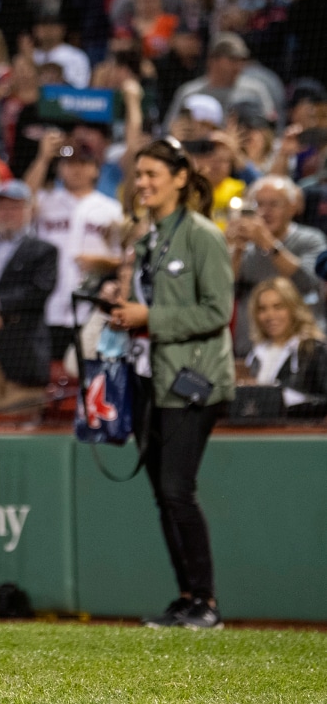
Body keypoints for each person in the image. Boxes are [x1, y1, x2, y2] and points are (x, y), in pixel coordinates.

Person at [110, 137, 236, 631]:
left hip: (193, 379)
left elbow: (217, 311)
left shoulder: (203, 234)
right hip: (149, 376)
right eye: (138, 175)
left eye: (151, 175)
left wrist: (149, 316)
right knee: (164, 495)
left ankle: (206, 603)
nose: (142, 183)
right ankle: (187, 599)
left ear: (181, 178)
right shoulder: (150, 237)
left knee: (177, 489)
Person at [23, 132, 124, 359]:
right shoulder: (47, 202)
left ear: (96, 169)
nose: (76, 169)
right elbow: (23, 199)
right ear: (60, 168)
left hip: (91, 304)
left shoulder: (111, 210)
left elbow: (124, 260)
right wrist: (42, 158)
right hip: (48, 304)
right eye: (69, 163)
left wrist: (102, 263)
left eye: (83, 163)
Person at [0, 180, 58, 415]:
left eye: (15, 207)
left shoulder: (43, 250)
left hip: (22, 353)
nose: (7, 214)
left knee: (22, 429)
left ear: (29, 211)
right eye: (2, 208)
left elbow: (38, 292)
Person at [228, 176, 327, 357]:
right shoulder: (247, 246)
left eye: (274, 204)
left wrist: (268, 244)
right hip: (252, 347)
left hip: (303, 348)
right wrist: (236, 250)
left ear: (292, 207)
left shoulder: (311, 238)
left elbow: (309, 281)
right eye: (259, 205)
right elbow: (227, 289)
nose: (265, 212)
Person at [244, 277, 327, 418]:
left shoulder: (314, 350)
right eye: (262, 309)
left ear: (293, 308)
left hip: (298, 434)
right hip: (259, 433)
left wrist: (288, 400)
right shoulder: (256, 354)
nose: (270, 315)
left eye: (278, 307)